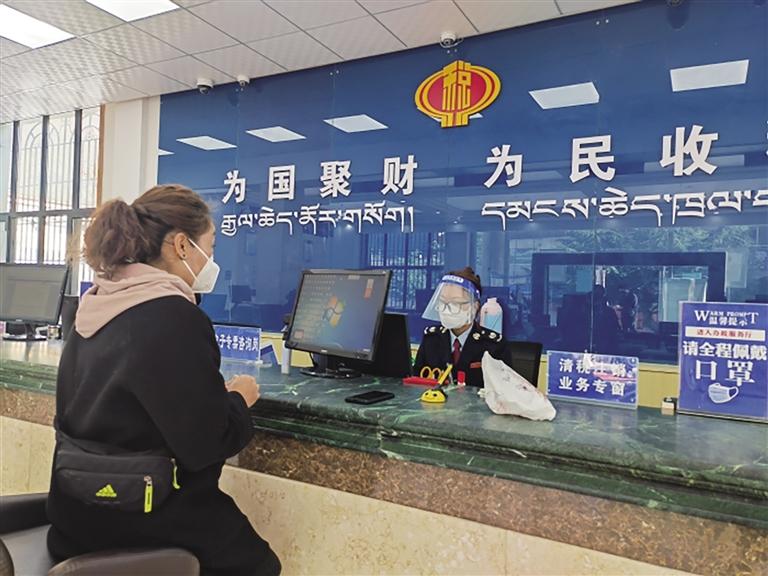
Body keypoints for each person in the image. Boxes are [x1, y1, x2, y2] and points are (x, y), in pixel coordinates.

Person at [46, 184, 281, 576]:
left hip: (74, 517)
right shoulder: (175, 316)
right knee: (260, 565)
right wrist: (239, 399)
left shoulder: (95, 304)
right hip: (141, 516)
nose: (212, 259)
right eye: (212, 245)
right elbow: (207, 444)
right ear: (182, 245)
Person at [414, 267, 512, 387]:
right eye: (443, 302)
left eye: (456, 303)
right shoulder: (431, 338)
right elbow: (416, 381)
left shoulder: (494, 345)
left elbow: (504, 389)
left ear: (474, 306)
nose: (447, 309)